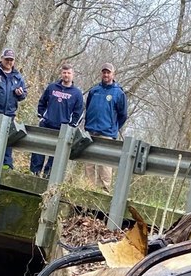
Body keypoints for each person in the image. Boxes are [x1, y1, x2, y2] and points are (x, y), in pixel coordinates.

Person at [30, 64, 84, 178]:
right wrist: (42, 116)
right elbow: (42, 102)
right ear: (61, 73)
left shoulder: (77, 93)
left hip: (63, 128)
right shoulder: (52, 87)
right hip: (47, 124)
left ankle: (48, 175)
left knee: (56, 154)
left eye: (69, 73)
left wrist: (71, 125)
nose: (66, 75)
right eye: (64, 72)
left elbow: (79, 112)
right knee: (39, 148)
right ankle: (35, 172)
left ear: (72, 75)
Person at [82, 62, 128, 190]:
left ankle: (104, 190)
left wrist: (113, 127)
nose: (106, 74)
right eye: (104, 72)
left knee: (105, 163)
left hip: (107, 133)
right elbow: (88, 107)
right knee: (89, 163)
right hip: (91, 131)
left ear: (113, 74)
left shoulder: (118, 93)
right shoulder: (94, 90)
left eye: (108, 72)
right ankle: (88, 188)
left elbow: (123, 114)